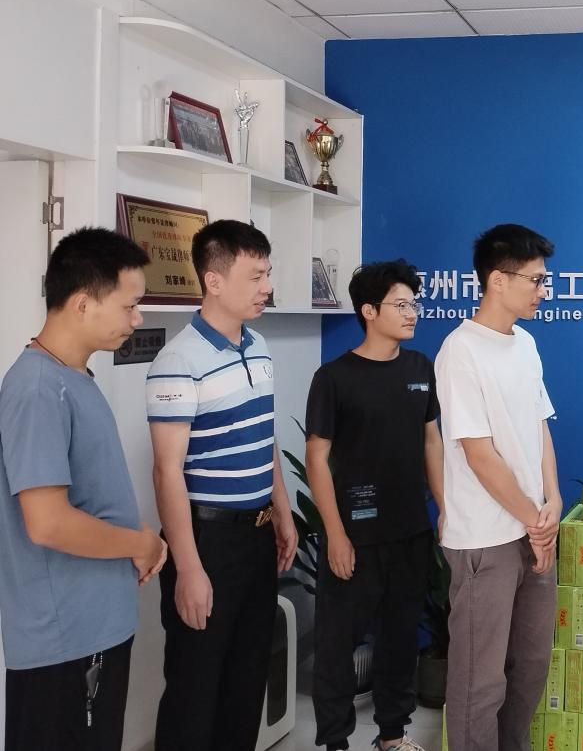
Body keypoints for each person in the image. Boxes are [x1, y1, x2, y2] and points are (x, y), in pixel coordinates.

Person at [0, 227, 167, 751]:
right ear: (81, 303)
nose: (136, 320)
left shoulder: (72, 378)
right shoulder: (36, 389)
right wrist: (140, 543)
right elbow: (47, 523)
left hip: (95, 628)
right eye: (129, 306)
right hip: (64, 643)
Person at [146, 220, 298, 751]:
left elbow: (264, 438)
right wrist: (189, 568)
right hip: (206, 541)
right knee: (196, 687)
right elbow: (167, 471)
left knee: (246, 680)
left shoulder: (259, 346)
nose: (266, 287)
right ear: (213, 281)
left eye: (267, 274)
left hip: (255, 537)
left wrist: (282, 512)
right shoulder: (178, 361)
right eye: (255, 276)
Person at [305, 260, 442, 751]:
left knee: (400, 638)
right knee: (337, 644)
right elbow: (316, 458)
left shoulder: (420, 367)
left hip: (410, 532)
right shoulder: (334, 377)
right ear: (368, 311)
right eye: (400, 305)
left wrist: (444, 508)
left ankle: (391, 735)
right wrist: (335, 535)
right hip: (354, 537)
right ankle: (336, 741)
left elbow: (432, 442)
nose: (412, 313)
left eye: (414, 304)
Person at [434, 224, 560, 751]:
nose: (542, 290)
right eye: (534, 279)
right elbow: (479, 454)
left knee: (530, 666)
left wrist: (553, 501)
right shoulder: (460, 351)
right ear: (497, 280)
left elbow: (539, 426)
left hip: (533, 530)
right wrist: (535, 521)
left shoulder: (525, 344)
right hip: (485, 540)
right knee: (479, 682)